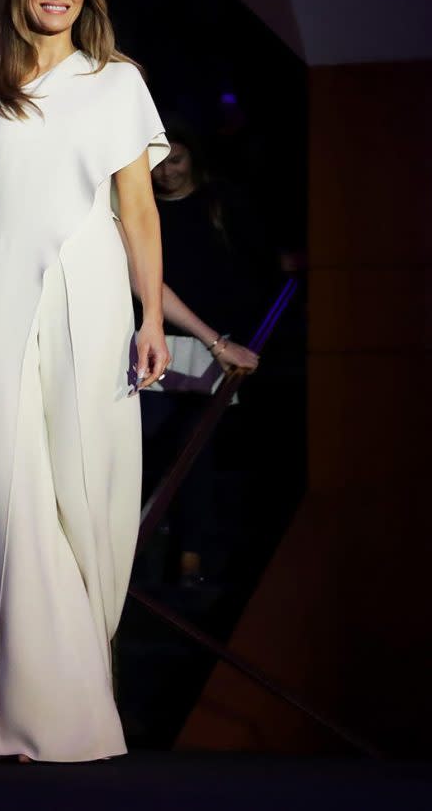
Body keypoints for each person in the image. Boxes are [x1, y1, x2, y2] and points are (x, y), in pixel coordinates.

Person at [0, 0, 171, 763]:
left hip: (92, 291)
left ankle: (80, 688)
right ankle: (35, 712)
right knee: (13, 498)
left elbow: (138, 209)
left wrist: (150, 316)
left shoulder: (117, 82)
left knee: (86, 493)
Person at [139, 117, 266, 589]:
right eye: (159, 164)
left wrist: (230, 337)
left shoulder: (218, 203)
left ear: (193, 157)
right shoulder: (143, 209)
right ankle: (149, 542)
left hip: (210, 343)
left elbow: (247, 267)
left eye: (177, 160)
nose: (168, 172)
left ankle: (190, 551)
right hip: (157, 341)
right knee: (153, 443)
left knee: (196, 447)